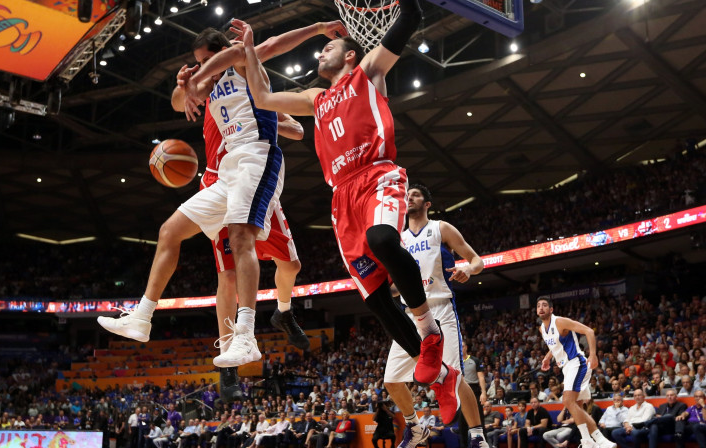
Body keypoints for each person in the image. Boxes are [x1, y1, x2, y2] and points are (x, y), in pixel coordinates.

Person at [240, 2, 449, 440]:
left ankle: (429, 333)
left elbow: (409, 21)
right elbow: (261, 97)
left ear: (349, 54)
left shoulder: (369, 71)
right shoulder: (315, 99)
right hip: (341, 198)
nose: (320, 53)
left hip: (377, 175)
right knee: (374, 299)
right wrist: (249, 53)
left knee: (384, 241)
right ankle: (444, 376)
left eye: (328, 47)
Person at [97, 19, 347, 369]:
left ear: (221, 54)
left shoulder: (243, 62)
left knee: (243, 238)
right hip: (229, 167)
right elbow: (175, 102)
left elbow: (273, 43)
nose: (201, 67)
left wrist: (318, 27)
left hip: (258, 156)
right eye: (197, 61)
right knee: (170, 231)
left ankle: (246, 336)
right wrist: (184, 84)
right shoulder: (208, 83)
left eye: (205, 60)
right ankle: (142, 316)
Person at [382, 186, 488, 448]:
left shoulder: (441, 228)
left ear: (427, 203)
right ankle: (415, 427)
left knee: (456, 376)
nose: (409, 197)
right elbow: (395, 288)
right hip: (410, 315)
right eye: (407, 195)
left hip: (440, 308)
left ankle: (478, 437)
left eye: (416, 194)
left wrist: (468, 269)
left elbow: (477, 260)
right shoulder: (398, 240)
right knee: (392, 381)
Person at [537, 297, 615, 448]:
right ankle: (601, 441)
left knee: (567, 401)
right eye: (538, 305)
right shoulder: (542, 329)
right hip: (567, 368)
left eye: (545, 305)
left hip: (577, 363)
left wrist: (593, 354)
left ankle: (586, 441)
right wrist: (547, 358)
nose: (541, 308)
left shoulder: (560, 321)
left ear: (551, 310)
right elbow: (555, 346)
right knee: (576, 407)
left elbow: (589, 331)